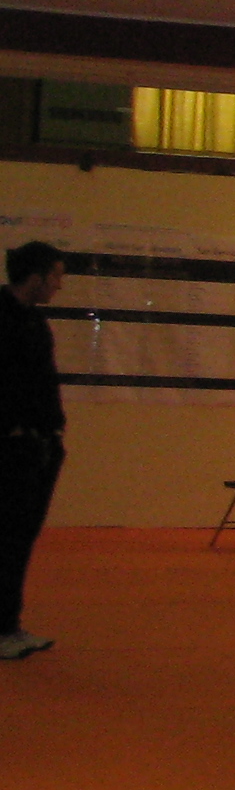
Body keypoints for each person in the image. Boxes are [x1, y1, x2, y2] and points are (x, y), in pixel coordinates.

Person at [0, 239, 67, 660]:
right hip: (10, 447)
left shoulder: (35, 321)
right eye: (56, 276)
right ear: (37, 276)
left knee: (21, 539)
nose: (60, 285)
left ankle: (9, 624)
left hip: (40, 445)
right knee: (6, 539)